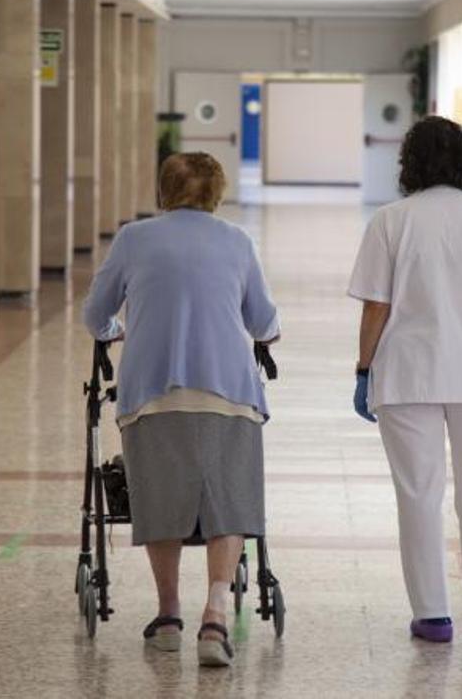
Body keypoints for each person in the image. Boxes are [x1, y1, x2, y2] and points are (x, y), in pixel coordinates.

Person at [82, 152, 280, 668]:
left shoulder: (133, 239)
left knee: (161, 497)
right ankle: (215, 610)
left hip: (152, 392)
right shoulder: (238, 242)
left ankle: (168, 614)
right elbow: (263, 322)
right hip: (228, 393)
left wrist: (113, 332)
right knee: (230, 497)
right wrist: (264, 332)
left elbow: (95, 314)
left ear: (163, 191)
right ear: (216, 194)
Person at [346, 115, 462, 644]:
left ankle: (432, 614)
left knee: (419, 492)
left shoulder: (391, 220)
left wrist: (363, 370)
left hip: (409, 373)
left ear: (410, 163)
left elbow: (377, 306)